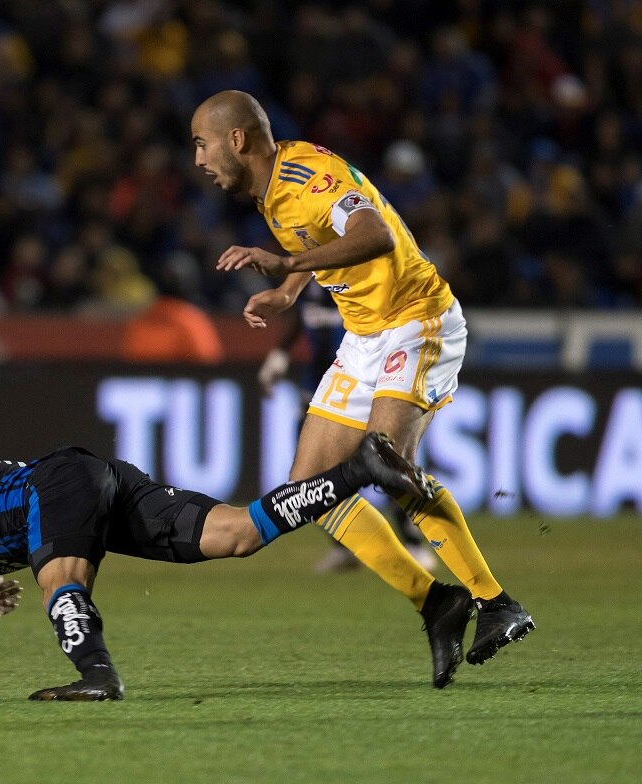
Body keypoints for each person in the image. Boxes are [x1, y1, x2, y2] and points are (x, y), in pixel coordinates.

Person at [191, 90, 533, 672]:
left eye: (201, 144)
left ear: (237, 140)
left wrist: (287, 267)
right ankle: (436, 604)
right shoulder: (272, 187)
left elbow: (377, 235)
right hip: (365, 334)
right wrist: (287, 291)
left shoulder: (309, 179)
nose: (197, 159)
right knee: (309, 494)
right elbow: (316, 242)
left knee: (385, 461)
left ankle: (495, 601)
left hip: (416, 318)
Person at [0, 426, 445, 700]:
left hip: (56, 490)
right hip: (94, 476)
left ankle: (97, 676)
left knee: (60, 582)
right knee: (237, 533)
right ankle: (357, 469)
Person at [258, 284, 438, 573]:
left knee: (386, 460)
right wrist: (279, 354)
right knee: (310, 475)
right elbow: (299, 314)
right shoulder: (312, 273)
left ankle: (413, 542)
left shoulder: (365, 274)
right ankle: (346, 547)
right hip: (317, 387)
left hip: (365, 385)